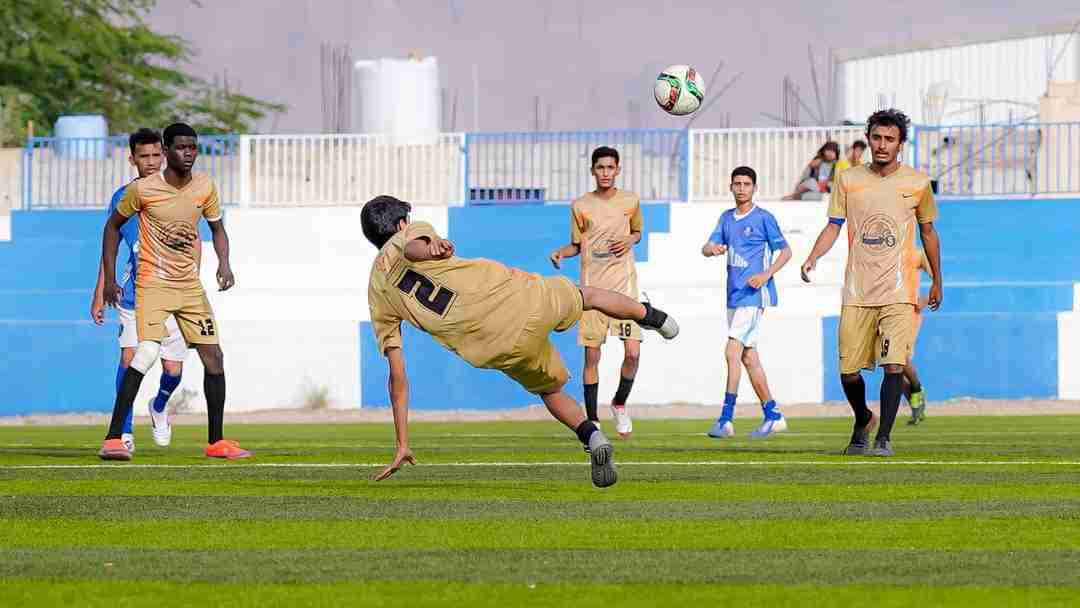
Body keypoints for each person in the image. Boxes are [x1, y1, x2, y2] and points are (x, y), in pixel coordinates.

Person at [363, 195, 679, 487]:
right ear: (401, 223)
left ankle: (593, 438)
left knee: (549, 390)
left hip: (494, 345)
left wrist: (403, 442)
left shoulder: (376, 294)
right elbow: (412, 249)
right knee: (588, 296)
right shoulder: (408, 235)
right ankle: (651, 316)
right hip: (516, 298)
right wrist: (429, 249)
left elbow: (397, 376)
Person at [98, 122, 249, 461]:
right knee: (145, 354)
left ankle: (216, 442)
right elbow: (112, 228)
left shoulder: (205, 186)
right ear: (167, 151)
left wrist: (224, 263)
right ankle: (114, 438)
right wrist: (108, 280)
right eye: (181, 147)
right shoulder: (143, 190)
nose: (188, 153)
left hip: (189, 288)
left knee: (214, 357)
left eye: (193, 147)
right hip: (152, 284)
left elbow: (217, 228)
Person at [800, 109, 943, 457]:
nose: (882, 145)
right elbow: (834, 225)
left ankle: (883, 439)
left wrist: (938, 281)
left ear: (900, 144)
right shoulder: (849, 180)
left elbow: (928, 233)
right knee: (848, 372)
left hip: (899, 292)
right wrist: (813, 256)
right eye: (876, 138)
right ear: (868, 139)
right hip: (857, 291)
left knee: (894, 365)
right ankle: (864, 417)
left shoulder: (917, 183)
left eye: (889, 139)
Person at [90, 128, 187, 452]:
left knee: (172, 369)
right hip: (135, 294)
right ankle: (124, 431)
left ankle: (159, 406)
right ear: (132, 159)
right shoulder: (122, 198)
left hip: (173, 294)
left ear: (165, 156)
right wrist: (100, 292)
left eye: (156, 155)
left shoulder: (180, 192)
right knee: (130, 357)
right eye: (144, 156)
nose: (151, 161)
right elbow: (110, 247)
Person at [549, 146, 643, 438]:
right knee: (592, 357)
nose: (605, 173)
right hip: (592, 295)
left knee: (632, 353)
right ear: (592, 171)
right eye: (600, 168)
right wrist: (562, 253)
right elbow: (577, 245)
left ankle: (619, 403)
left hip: (624, 290)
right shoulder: (580, 206)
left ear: (618, 170)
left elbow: (637, 233)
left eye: (610, 168)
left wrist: (630, 240)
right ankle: (593, 418)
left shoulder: (630, 201)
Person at [700, 166, 792, 438]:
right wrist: (711, 250)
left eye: (746, 184)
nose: (741, 188)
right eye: (737, 184)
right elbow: (706, 247)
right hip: (734, 295)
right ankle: (773, 415)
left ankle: (726, 419)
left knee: (732, 351)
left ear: (754, 188)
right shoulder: (726, 218)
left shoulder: (763, 218)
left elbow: (786, 252)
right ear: (731, 187)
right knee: (749, 358)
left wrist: (765, 275)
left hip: (754, 296)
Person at [905, 248, 934, 425]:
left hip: (908, 314)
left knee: (900, 358)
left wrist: (926, 298)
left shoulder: (916, 254)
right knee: (891, 367)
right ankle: (916, 406)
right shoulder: (883, 252)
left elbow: (938, 278)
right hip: (883, 312)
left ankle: (916, 389)